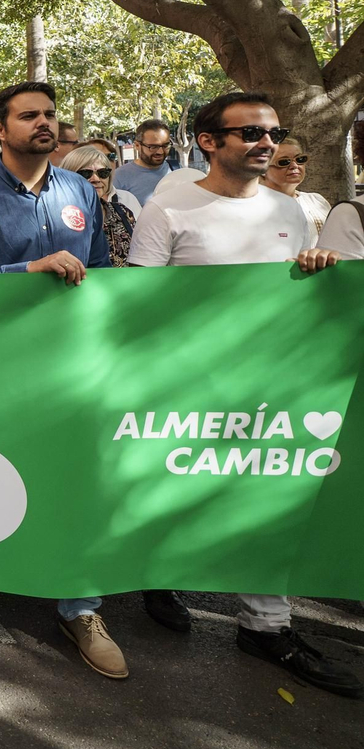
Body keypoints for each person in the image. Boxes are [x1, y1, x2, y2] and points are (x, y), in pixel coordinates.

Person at [126, 91, 359, 698]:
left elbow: (296, 294)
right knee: (177, 490)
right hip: (187, 386)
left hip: (272, 385)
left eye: (272, 132)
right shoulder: (169, 211)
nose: (267, 143)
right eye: (251, 132)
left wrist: (317, 269)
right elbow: (138, 303)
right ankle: (158, 576)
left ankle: (267, 626)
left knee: (269, 497)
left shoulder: (287, 210)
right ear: (209, 141)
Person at [0, 81, 122, 679]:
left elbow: (98, 270)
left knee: (74, 478)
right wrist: (29, 270)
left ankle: (80, 607)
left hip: (70, 366)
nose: (43, 123)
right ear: (0, 130)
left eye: (48, 114)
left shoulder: (78, 190)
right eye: (28, 116)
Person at [61, 145, 136, 266]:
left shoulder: (122, 211)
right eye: (86, 173)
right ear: (67, 176)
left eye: (103, 173)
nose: (96, 179)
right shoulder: (58, 217)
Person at [259, 136, 331, 242]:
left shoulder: (317, 201)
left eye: (299, 159)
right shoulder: (254, 204)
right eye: (284, 162)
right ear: (263, 169)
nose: (294, 165)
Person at [114, 119, 174, 207]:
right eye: (153, 147)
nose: (160, 152)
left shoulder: (176, 169)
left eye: (165, 146)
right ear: (137, 146)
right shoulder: (119, 177)